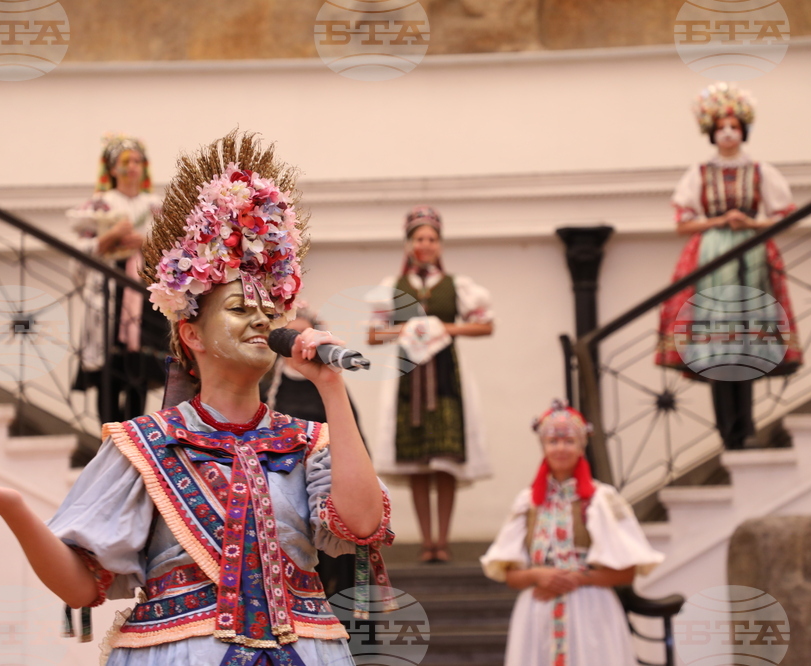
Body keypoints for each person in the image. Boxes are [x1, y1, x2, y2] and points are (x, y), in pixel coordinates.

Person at [0, 130, 393, 666]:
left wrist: (330, 387)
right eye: (241, 307)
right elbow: (81, 588)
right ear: (191, 334)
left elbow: (361, 525)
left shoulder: (308, 441)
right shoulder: (143, 447)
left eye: (270, 309)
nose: (263, 319)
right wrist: (13, 510)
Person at [655, 83, 802, 449]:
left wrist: (750, 224)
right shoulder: (700, 173)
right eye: (721, 126)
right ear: (711, 132)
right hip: (713, 254)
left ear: (743, 130)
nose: (727, 133)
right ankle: (728, 430)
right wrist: (718, 222)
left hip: (751, 252)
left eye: (734, 126)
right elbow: (682, 223)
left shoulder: (760, 170)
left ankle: (746, 427)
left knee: (746, 337)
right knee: (718, 340)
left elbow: (785, 215)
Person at [480, 400, 663, 666]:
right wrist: (536, 574)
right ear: (543, 447)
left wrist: (576, 579)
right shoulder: (528, 502)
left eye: (569, 441)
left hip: (591, 611)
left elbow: (626, 572)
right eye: (553, 441)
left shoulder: (601, 499)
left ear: (581, 446)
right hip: (537, 613)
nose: (561, 448)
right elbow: (509, 574)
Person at [367, 206, 493, 563]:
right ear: (409, 244)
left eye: (432, 239)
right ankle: (426, 540)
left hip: (446, 376)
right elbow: (374, 334)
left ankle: (443, 537)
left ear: (439, 244)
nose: (426, 244)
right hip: (409, 377)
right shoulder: (393, 287)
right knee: (418, 462)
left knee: (445, 461)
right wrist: (406, 330)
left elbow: (486, 325)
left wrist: (444, 328)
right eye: (420, 238)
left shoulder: (456, 286)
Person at [260, 303, 364, 598]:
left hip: (328, 490)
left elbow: (354, 440)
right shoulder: (266, 385)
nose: (297, 343)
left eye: (303, 335)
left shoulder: (328, 381)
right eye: (289, 336)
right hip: (282, 491)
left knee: (337, 570)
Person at [69, 134, 169, 425]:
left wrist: (146, 242)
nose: (133, 167)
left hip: (144, 295)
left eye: (138, 161)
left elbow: (178, 253)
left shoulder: (156, 207)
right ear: (112, 168)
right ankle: (107, 434)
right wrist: (111, 237)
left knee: (139, 371)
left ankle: (133, 435)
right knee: (108, 371)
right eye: (126, 162)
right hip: (109, 294)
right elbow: (79, 256)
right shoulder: (99, 205)